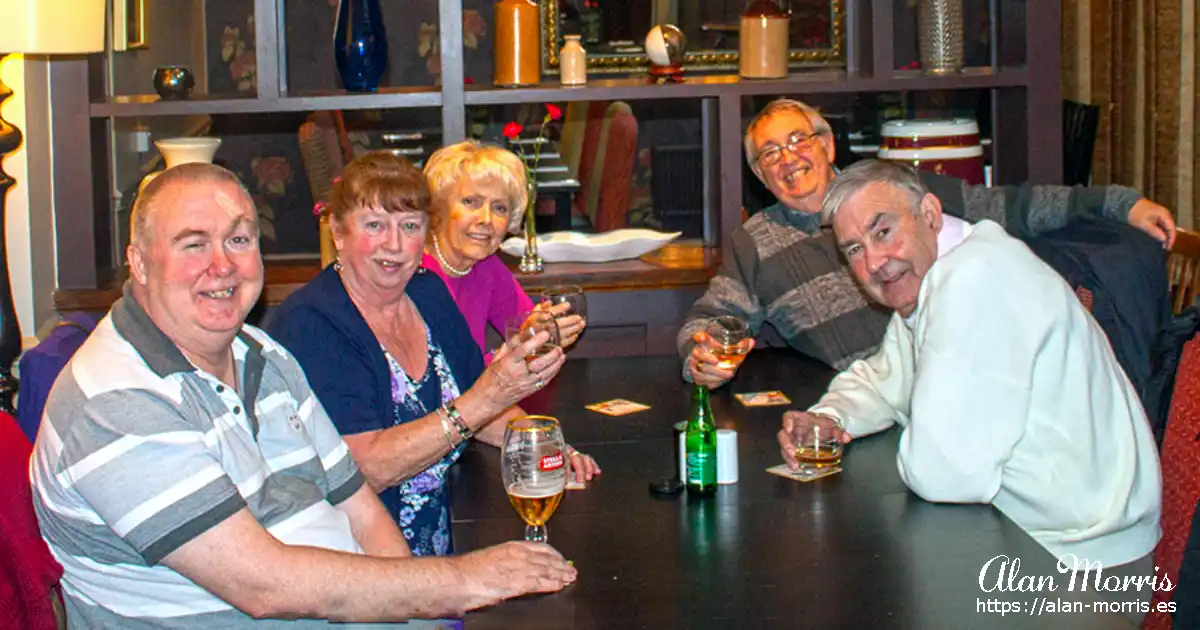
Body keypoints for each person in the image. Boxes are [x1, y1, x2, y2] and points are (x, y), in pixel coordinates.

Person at [30, 163, 577, 628]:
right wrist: (457, 583)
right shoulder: (119, 404)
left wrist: (422, 617)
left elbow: (358, 508)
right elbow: (263, 587)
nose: (222, 265)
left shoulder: (261, 355)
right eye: (193, 244)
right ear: (140, 262)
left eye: (238, 240)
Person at [777, 160, 1161, 569]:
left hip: (1083, 564)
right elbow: (882, 379)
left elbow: (944, 473)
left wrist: (914, 430)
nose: (874, 262)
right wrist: (831, 417)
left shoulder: (976, 279)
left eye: (883, 231)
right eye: (855, 249)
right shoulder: (939, 272)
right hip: (1033, 535)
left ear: (930, 214)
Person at [680, 98, 1178, 388]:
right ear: (759, 175)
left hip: (966, 375)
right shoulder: (755, 244)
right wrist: (700, 356)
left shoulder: (895, 189)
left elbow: (1016, 207)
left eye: (798, 141)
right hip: (872, 402)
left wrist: (1119, 204)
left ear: (828, 145)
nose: (787, 159)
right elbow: (710, 320)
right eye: (769, 153)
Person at [266, 152, 599, 558]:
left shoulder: (427, 292)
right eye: (375, 225)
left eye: (409, 226)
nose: (394, 243)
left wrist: (540, 445)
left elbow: (480, 400)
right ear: (338, 231)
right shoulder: (312, 323)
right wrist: (483, 401)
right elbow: (367, 468)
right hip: (352, 566)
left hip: (438, 553)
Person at [422, 141, 585, 359]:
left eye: (499, 208)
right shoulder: (417, 275)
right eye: (471, 202)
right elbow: (449, 380)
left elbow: (525, 330)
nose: (486, 219)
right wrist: (513, 352)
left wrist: (541, 332)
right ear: (439, 207)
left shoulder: (487, 267)